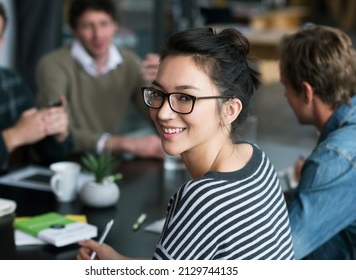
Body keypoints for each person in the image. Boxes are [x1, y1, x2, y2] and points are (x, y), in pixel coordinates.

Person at [77, 27, 295, 260]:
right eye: (158, 93)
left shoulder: (202, 198)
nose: (163, 113)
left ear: (230, 110)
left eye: (185, 98)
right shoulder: (256, 159)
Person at [36, 0, 164, 159]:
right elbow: (57, 129)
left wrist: (165, 84)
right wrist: (123, 143)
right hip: (64, 162)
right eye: (88, 26)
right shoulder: (53, 64)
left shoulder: (130, 62)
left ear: (115, 26)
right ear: (74, 30)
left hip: (106, 163)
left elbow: (156, 116)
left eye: (104, 24)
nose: (98, 34)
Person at [0, 0, 72, 181]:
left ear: (1, 41)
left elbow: (48, 155)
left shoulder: (11, 82)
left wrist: (57, 133)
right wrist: (13, 136)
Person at [279, 24, 356, 259]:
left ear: (306, 92)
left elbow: (279, 254)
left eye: (285, 87)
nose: (284, 96)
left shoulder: (334, 159)